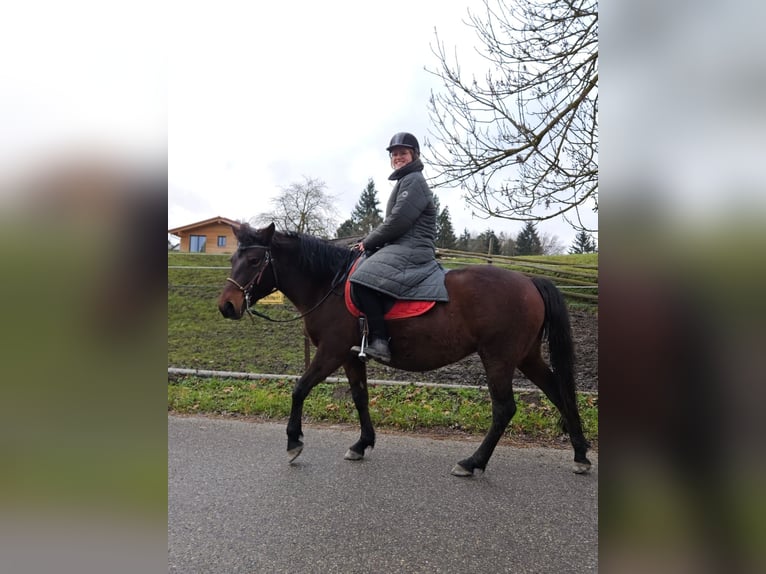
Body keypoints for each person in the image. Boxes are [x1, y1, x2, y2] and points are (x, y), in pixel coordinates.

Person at [349, 132, 449, 363]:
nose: (398, 157)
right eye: (394, 154)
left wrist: (368, 242)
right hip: (402, 244)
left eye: (403, 153)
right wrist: (369, 240)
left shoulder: (414, 180)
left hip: (413, 248)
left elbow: (398, 222)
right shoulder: (405, 181)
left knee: (361, 279)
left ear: (414, 155)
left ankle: (380, 341)